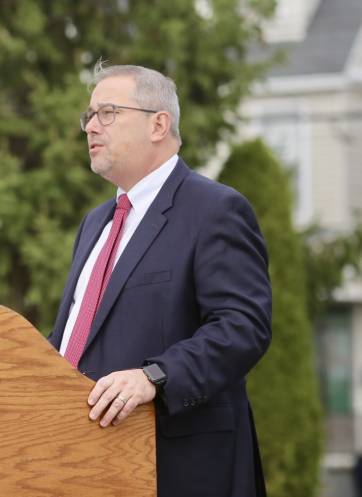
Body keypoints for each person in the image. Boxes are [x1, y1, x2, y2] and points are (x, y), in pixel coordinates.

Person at [47, 63, 272, 497]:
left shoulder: (214, 210)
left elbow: (242, 326)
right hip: (88, 464)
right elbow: (73, 339)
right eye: (89, 115)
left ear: (159, 124)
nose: (91, 126)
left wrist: (155, 377)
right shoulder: (96, 224)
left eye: (108, 112)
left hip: (177, 468)